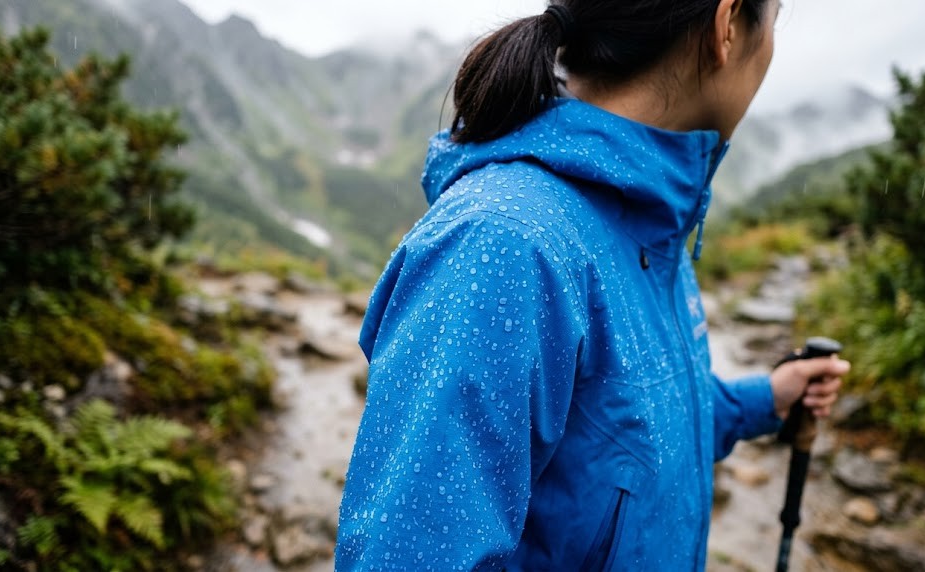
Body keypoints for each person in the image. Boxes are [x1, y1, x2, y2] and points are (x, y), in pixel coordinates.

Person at [336, 0, 850, 569]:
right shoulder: (506, 243)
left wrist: (764, 399)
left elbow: (627, 433)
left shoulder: (649, 223)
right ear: (727, 27)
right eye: (775, 18)